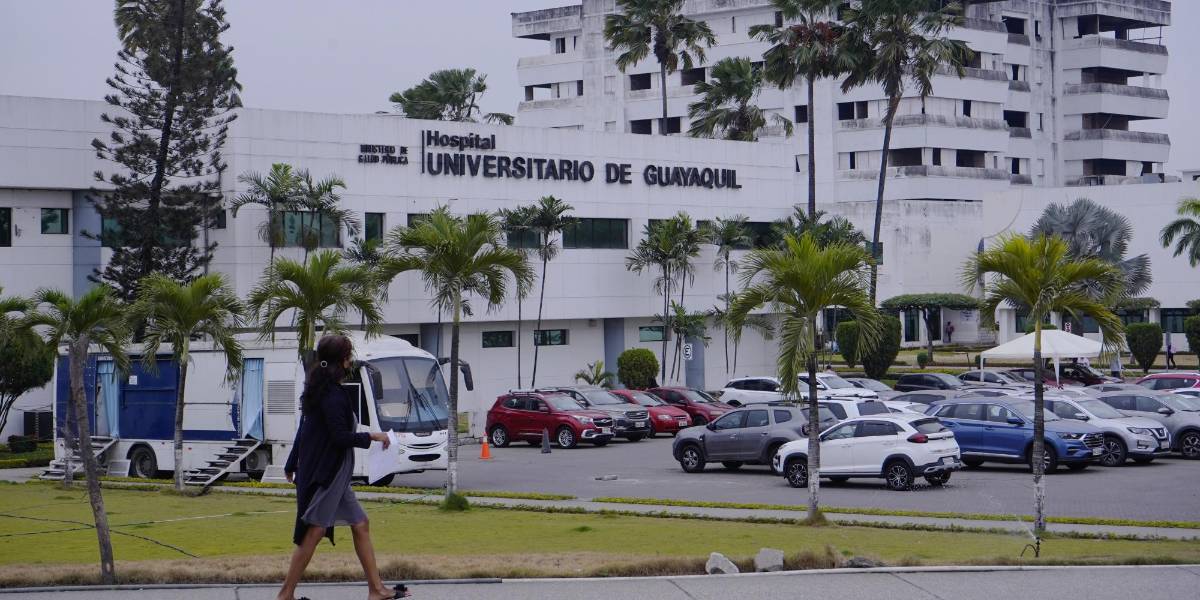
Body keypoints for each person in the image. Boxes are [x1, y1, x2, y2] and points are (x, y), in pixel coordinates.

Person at [277, 335, 408, 600]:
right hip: (328, 474)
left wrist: (291, 462)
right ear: (341, 361)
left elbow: (306, 429)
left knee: (360, 524)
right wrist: (373, 436)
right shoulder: (333, 396)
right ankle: (285, 594)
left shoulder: (320, 389)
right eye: (349, 355)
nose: (352, 359)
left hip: (334, 472)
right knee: (314, 530)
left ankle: (376, 589)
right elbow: (339, 437)